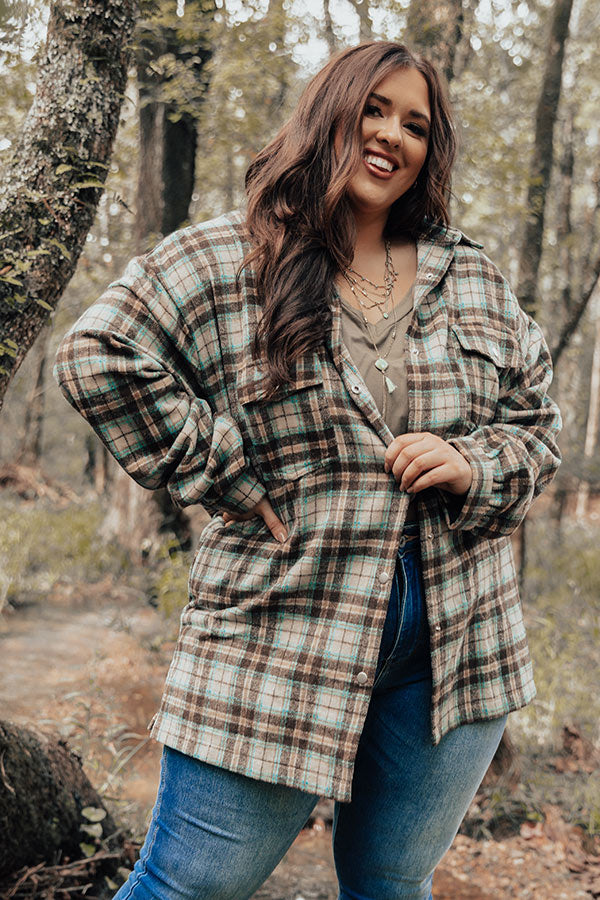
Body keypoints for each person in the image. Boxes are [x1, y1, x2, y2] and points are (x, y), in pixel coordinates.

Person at [53, 40, 561, 900]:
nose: (392, 135)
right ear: (331, 108)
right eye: (375, 108)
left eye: (416, 125)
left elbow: (538, 428)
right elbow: (97, 354)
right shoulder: (228, 257)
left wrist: (474, 465)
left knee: (393, 885)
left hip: (457, 640)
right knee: (188, 886)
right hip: (280, 628)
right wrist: (225, 474)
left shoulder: (468, 275)